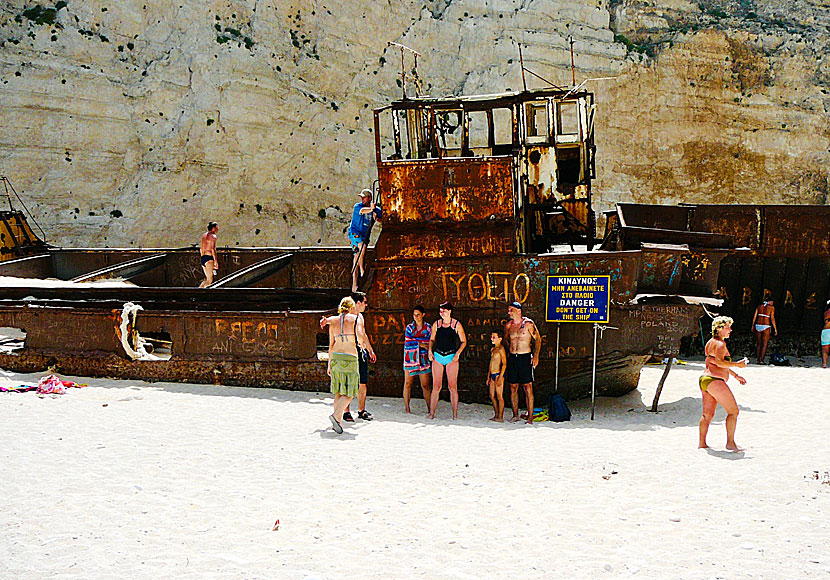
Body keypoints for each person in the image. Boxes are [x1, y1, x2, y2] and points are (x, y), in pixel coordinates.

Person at [320, 291, 377, 421]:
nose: (366, 305)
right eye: (364, 302)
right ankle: (344, 413)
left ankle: (359, 411)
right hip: (351, 353)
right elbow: (358, 335)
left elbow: (363, 334)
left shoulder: (357, 318)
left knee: (360, 383)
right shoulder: (352, 318)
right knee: (347, 387)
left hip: (348, 353)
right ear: (357, 303)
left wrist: (370, 350)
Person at [699, 316, 747, 451]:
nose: (730, 330)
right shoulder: (720, 344)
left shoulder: (710, 342)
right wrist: (737, 365)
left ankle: (702, 443)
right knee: (733, 412)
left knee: (707, 415)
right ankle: (730, 443)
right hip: (715, 381)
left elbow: (715, 363)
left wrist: (735, 375)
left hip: (705, 380)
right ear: (719, 329)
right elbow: (720, 362)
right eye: (728, 328)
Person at [504, 301, 542, 424]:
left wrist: (536, 356)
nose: (509, 312)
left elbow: (538, 340)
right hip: (513, 358)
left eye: (511, 310)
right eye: (509, 310)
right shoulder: (509, 325)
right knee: (513, 386)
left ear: (519, 311)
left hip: (525, 357)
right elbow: (505, 340)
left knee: (527, 387)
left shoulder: (528, 324)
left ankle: (530, 417)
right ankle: (515, 415)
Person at [427, 302, 467, 419]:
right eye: (440, 311)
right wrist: (430, 351)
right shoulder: (437, 324)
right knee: (436, 386)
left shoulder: (456, 325)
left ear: (449, 311)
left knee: (452, 387)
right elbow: (432, 340)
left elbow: (464, 341)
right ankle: (432, 413)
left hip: (451, 357)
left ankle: (455, 414)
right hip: (438, 356)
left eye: (444, 311)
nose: (442, 313)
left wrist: (458, 354)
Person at [348, 189, 382, 292]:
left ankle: (354, 285)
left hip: (364, 236)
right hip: (355, 233)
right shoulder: (358, 207)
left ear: (369, 198)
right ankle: (362, 269)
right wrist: (371, 210)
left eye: (364, 197)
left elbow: (381, 219)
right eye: (362, 197)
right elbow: (362, 211)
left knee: (356, 257)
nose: (362, 199)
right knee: (361, 248)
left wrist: (377, 218)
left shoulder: (375, 209)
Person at [403, 305, 432, 414]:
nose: (416, 317)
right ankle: (407, 408)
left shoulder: (429, 328)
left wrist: (422, 344)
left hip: (423, 359)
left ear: (423, 315)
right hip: (410, 359)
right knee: (407, 383)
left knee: (425, 385)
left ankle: (430, 408)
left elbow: (431, 342)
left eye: (418, 314)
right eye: (414, 315)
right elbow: (408, 342)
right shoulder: (409, 328)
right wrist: (422, 344)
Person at [487, 330, 507, 422]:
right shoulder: (493, 349)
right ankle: (496, 414)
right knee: (492, 395)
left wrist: (501, 376)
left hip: (498, 374)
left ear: (500, 339)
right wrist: (488, 377)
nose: (492, 339)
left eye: (494, 337)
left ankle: (500, 416)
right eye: (491, 337)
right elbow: (490, 364)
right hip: (492, 375)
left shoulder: (501, 349)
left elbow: (504, 364)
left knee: (499, 396)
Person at [750, 299, 777, 364]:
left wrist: (753, 325)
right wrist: (775, 328)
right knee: (765, 344)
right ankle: (762, 360)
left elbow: (754, 316)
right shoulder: (771, 308)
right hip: (766, 325)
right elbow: (772, 318)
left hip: (758, 325)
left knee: (759, 343)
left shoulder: (759, 307)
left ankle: (758, 359)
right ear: (770, 301)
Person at [198, 222, 219, 288]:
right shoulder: (213, 236)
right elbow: (213, 248)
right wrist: (215, 261)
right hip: (209, 257)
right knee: (209, 280)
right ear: (213, 228)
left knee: (207, 279)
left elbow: (201, 248)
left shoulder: (204, 235)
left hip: (203, 257)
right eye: (216, 227)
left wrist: (202, 257)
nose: (217, 229)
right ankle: (198, 293)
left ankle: (198, 292)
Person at [821, 302, 830, 369]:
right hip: (827, 331)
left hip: (826, 330)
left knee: (825, 350)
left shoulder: (825, 312)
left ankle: (824, 364)